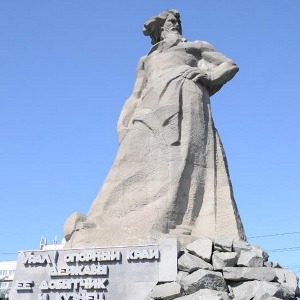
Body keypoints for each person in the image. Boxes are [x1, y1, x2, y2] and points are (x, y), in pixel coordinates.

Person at [64, 10, 246, 248]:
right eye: (170, 22)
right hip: (150, 104)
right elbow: (135, 94)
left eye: (177, 22)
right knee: (128, 159)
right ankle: (103, 220)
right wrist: (123, 120)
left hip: (185, 100)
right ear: (160, 28)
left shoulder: (195, 47)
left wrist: (208, 77)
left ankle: (171, 222)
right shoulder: (146, 59)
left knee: (177, 160)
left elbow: (230, 65)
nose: (176, 25)